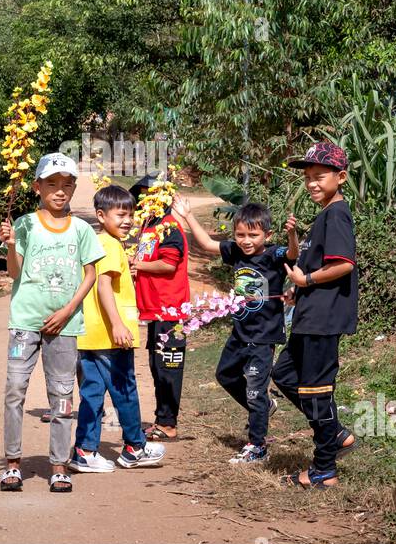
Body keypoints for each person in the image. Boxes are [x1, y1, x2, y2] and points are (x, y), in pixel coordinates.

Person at [0, 153, 102, 493]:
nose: (60, 191)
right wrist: (12, 245)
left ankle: (59, 465)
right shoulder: (25, 225)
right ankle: (13, 463)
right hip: (24, 323)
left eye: (67, 185)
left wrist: (68, 309)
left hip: (65, 325)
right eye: (52, 184)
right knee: (15, 390)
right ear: (37, 186)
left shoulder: (82, 229)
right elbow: (14, 272)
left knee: (62, 395)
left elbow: (91, 273)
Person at [173, 197, 298, 463]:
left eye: (253, 235)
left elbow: (292, 255)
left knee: (255, 392)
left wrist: (292, 235)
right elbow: (207, 244)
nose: (246, 240)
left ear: (267, 235)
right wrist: (187, 215)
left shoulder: (273, 254)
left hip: (263, 337)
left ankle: (258, 446)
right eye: (240, 234)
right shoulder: (237, 252)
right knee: (225, 375)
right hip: (239, 333)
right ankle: (266, 406)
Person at [275, 142, 359, 488]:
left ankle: (324, 468)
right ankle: (334, 432)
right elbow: (316, 262)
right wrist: (297, 289)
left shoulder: (337, 213)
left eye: (319, 176)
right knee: (284, 375)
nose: (311, 183)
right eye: (308, 177)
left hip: (324, 318)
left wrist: (305, 279)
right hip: (310, 314)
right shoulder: (323, 215)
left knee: (316, 390)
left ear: (340, 177)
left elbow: (343, 265)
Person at [70, 184, 166, 473]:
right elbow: (103, 286)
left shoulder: (99, 242)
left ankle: (85, 451)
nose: (128, 221)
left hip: (91, 335)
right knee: (124, 389)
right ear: (101, 215)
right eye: (120, 215)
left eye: (131, 215)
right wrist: (118, 324)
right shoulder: (110, 245)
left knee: (92, 393)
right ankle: (135, 447)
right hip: (111, 336)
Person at [128, 174, 190, 442]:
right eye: (142, 195)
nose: (145, 200)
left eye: (151, 194)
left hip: (171, 310)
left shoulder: (169, 226)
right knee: (156, 366)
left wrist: (138, 266)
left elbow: (169, 264)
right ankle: (161, 419)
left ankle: (168, 423)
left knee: (168, 367)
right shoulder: (148, 225)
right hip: (154, 310)